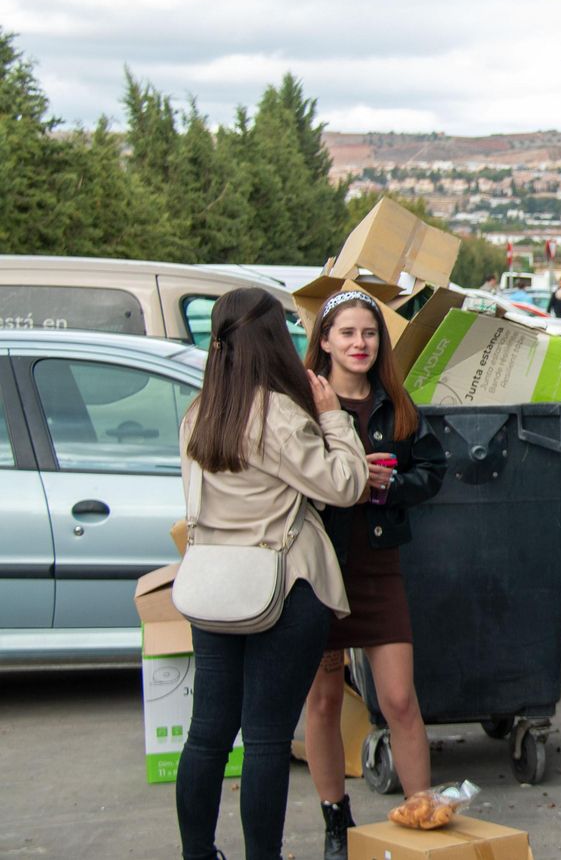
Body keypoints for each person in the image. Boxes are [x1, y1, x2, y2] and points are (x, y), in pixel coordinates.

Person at [176, 287, 368, 860]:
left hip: (213, 588)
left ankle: (198, 853)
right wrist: (334, 419)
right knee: (264, 738)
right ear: (273, 342)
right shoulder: (277, 414)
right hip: (284, 587)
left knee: (207, 735)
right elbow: (346, 484)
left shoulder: (198, 414)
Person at [300, 291, 446, 860]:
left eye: (369, 334)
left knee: (400, 699)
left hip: (379, 567)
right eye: (347, 333)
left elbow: (433, 471)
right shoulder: (303, 402)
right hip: (319, 568)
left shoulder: (395, 403)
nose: (359, 344)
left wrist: (391, 488)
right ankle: (337, 822)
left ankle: (422, 811)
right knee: (324, 701)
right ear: (326, 342)